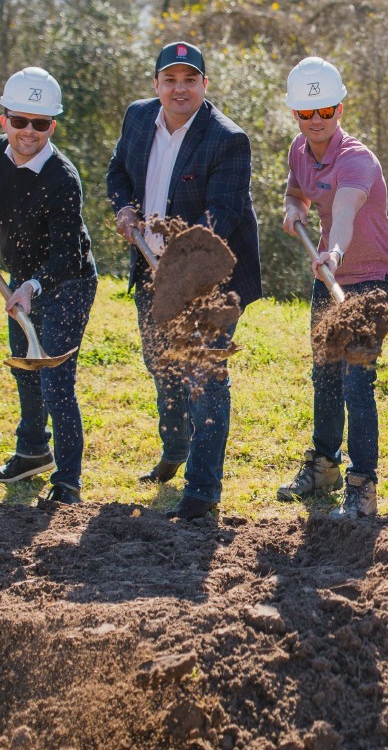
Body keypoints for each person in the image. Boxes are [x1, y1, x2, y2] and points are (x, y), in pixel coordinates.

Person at [106, 40, 261, 521]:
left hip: (211, 282)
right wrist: (124, 207)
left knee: (204, 378)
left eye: (189, 80)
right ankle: (175, 448)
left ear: (204, 85)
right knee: (162, 367)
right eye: (170, 80)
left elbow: (223, 215)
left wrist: (182, 271)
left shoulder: (227, 139)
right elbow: (117, 173)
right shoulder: (137, 118)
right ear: (156, 85)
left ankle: (202, 491)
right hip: (150, 273)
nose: (179, 89)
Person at [0, 67, 97, 507]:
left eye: (40, 124)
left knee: (56, 378)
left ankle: (68, 483)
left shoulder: (63, 179)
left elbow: (67, 255)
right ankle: (32, 451)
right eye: (20, 121)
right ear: (4, 120)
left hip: (68, 282)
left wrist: (32, 286)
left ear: (51, 126)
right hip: (23, 278)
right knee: (25, 368)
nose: (28, 132)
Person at [277, 57, 388, 519]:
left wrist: (333, 252)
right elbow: (297, 192)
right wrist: (294, 209)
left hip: (369, 280)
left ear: (340, 109)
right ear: (295, 114)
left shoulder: (357, 159)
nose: (316, 121)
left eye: (325, 111)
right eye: (306, 113)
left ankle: (363, 485)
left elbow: (346, 211)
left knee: (355, 379)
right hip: (330, 275)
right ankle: (325, 465)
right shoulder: (299, 150)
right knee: (324, 375)